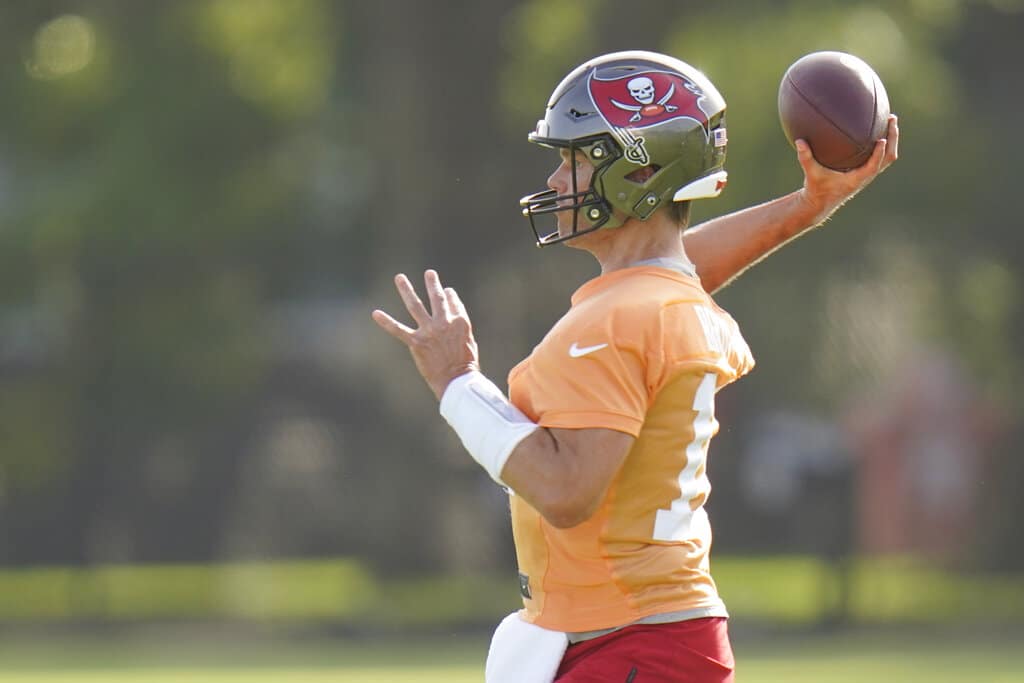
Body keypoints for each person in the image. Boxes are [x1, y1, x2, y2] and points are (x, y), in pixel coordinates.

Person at [371, 50, 898, 683]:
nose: (559, 181)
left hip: (628, 640)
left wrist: (457, 385)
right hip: (654, 633)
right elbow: (677, 265)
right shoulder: (658, 298)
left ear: (636, 171)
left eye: (577, 159)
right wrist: (807, 205)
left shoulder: (619, 317)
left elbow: (568, 493)